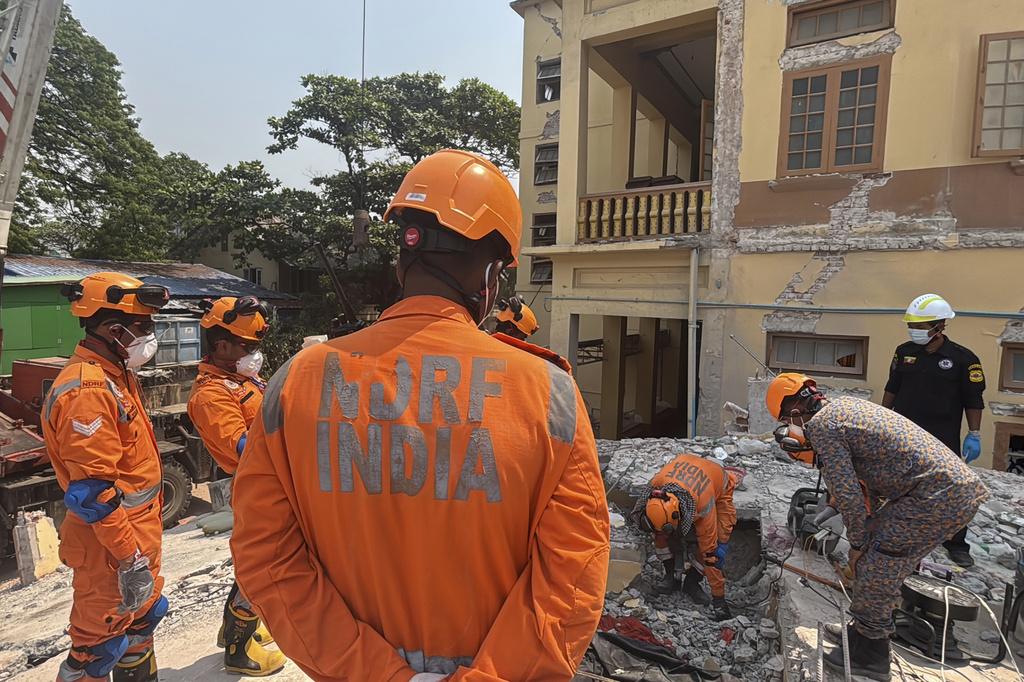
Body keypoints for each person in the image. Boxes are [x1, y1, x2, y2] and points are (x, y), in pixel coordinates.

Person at [230, 149, 610, 681]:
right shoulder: (550, 394)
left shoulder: (294, 382)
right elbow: (574, 569)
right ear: (491, 275)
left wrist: (376, 673)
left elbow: (265, 556)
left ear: (401, 259)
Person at [767, 373, 988, 682]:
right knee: (876, 549)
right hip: (939, 490)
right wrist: (858, 526)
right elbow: (866, 477)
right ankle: (860, 632)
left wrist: (857, 544)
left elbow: (848, 495)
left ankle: (871, 655)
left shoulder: (821, 426)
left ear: (793, 411)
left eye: (783, 420)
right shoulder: (842, 409)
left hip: (938, 496)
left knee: (878, 562)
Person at [41, 272, 170, 682]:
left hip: (134, 538)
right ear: (115, 331)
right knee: (96, 649)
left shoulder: (115, 375)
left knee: (141, 624)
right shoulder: (87, 391)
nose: (149, 336)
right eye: (143, 328)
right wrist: (129, 559)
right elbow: (95, 493)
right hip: (109, 552)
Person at [186, 296, 285, 677]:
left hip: (270, 483)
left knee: (256, 566)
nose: (254, 352)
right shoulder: (212, 394)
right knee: (259, 571)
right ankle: (237, 651)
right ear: (222, 345)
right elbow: (243, 448)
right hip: (253, 487)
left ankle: (235, 631)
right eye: (248, 345)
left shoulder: (240, 380)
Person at [882, 293, 985, 568]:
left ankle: (955, 542)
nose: (914, 331)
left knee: (948, 488)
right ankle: (899, 531)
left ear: (939, 326)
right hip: (903, 432)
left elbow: (974, 400)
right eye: (912, 325)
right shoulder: (904, 352)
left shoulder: (964, 359)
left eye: (921, 325)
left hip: (941, 435)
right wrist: (881, 418)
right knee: (898, 483)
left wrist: (974, 434)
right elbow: (892, 387)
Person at [638, 453, 736, 621]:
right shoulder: (656, 486)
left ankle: (692, 582)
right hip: (687, 469)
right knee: (660, 534)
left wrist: (719, 600)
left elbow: (709, 552)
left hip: (718, 483)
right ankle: (671, 577)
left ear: (678, 514)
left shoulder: (703, 505)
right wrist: (666, 533)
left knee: (717, 544)